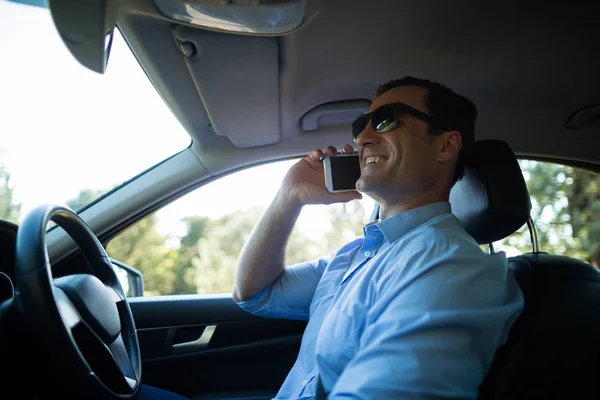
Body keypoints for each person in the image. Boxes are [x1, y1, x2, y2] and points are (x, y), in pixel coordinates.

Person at [232, 76, 524, 399]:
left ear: (446, 145)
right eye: (361, 126)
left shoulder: (452, 266)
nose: (363, 138)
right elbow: (254, 293)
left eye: (387, 121)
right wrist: (288, 197)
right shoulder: (354, 254)